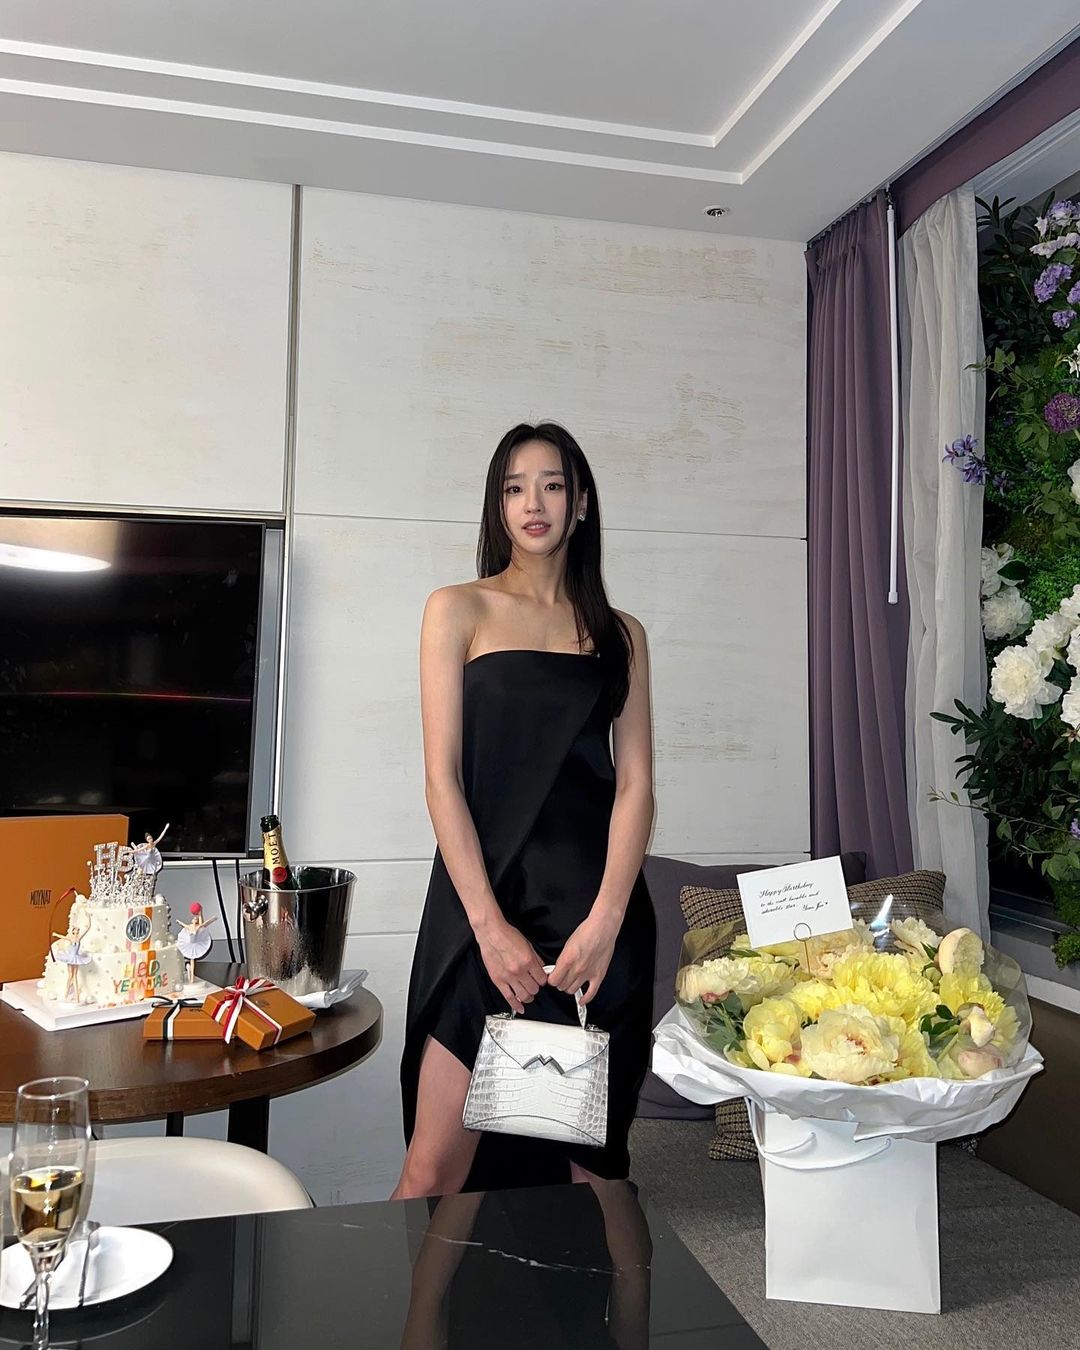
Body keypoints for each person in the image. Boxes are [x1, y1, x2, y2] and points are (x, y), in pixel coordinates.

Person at [394, 422, 657, 1200]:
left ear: (582, 503)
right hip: (484, 918)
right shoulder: (457, 609)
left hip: (594, 930)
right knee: (432, 1174)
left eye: (551, 485)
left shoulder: (622, 635)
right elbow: (441, 779)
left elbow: (636, 787)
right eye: (514, 488)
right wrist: (488, 927)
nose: (533, 504)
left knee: (591, 1180)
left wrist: (606, 923)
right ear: (498, 506)